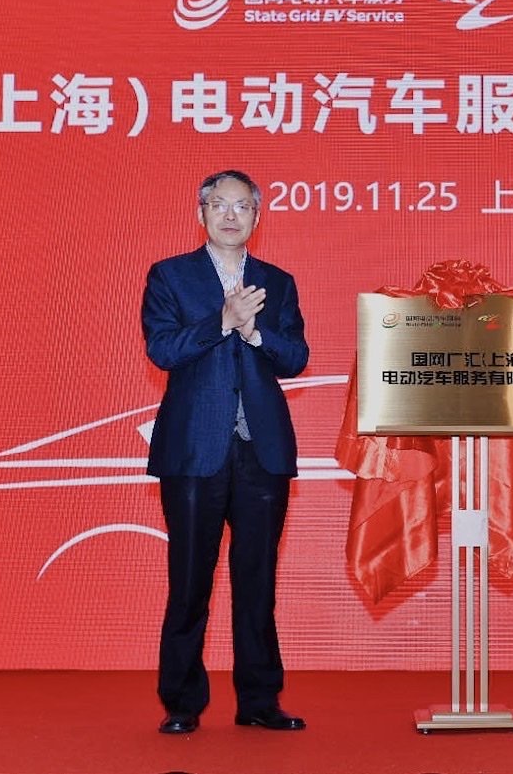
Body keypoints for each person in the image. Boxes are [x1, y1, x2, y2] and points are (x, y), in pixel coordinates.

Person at [141, 169, 309, 734]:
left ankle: (260, 701)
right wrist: (222, 321)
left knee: (257, 582)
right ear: (202, 214)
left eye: (242, 206)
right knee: (190, 580)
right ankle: (182, 702)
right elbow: (163, 350)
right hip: (194, 449)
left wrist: (256, 332)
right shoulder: (170, 276)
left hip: (261, 451)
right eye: (219, 205)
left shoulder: (277, 282)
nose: (231, 215)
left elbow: (296, 357)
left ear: (257, 217)